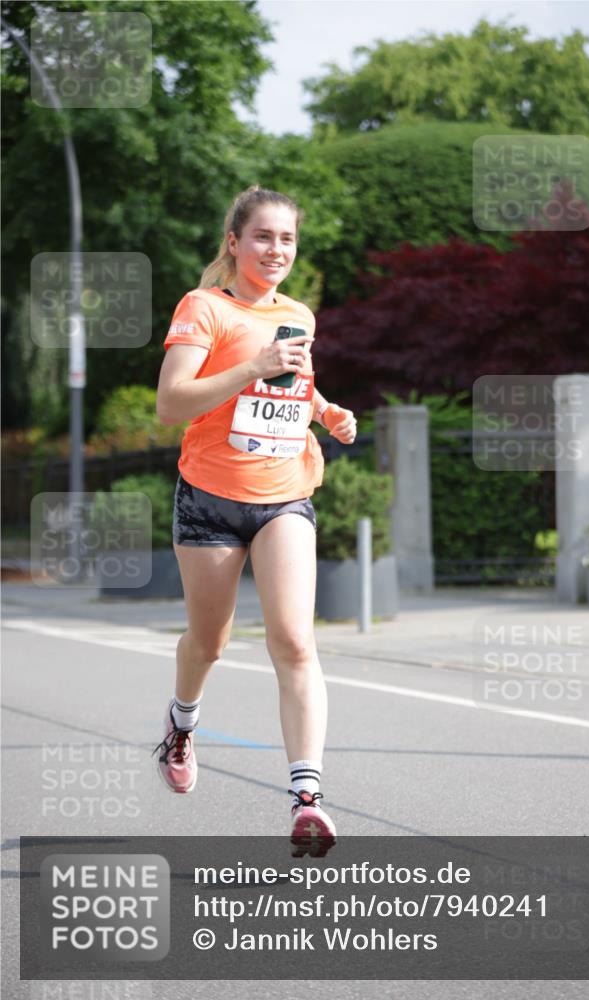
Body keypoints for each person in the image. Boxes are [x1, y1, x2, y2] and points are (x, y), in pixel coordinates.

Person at [153, 185, 356, 857]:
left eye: (288, 240)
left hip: (283, 494)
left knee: (295, 641)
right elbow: (171, 403)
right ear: (234, 243)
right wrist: (253, 365)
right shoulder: (203, 308)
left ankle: (307, 799)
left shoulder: (297, 314)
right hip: (208, 498)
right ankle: (182, 724)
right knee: (208, 644)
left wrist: (324, 412)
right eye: (263, 237)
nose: (276, 250)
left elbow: (294, 382)